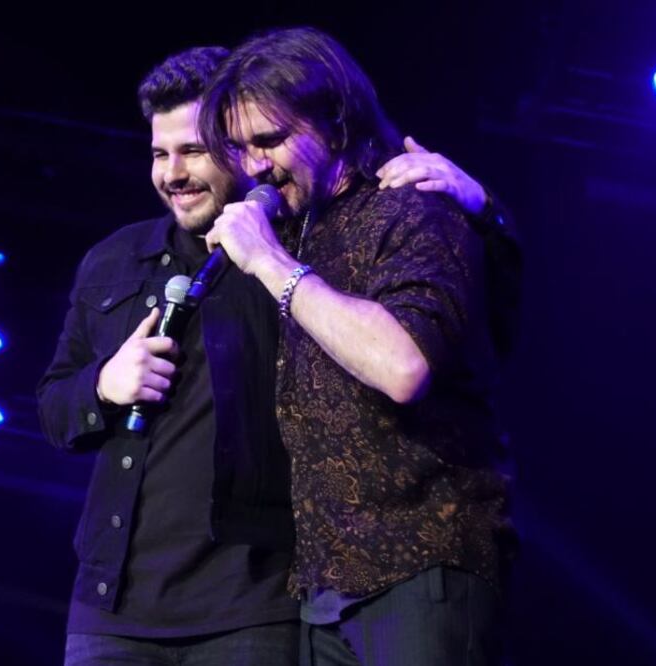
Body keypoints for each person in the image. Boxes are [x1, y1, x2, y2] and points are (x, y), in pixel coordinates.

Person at [36, 45, 508, 665]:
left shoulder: (304, 243)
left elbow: (440, 335)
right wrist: (103, 386)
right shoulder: (114, 261)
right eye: (158, 153)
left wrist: (485, 212)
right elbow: (52, 406)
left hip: (266, 602)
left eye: (196, 151)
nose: (173, 172)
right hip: (125, 605)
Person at [198, 27, 516, 665]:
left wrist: (268, 263)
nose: (254, 166)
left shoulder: (412, 211)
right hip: (326, 584)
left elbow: (403, 366)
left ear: (336, 124)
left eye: (271, 140)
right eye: (238, 148)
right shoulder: (300, 227)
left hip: (423, 560)